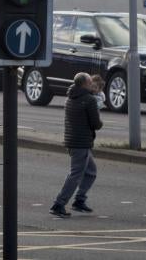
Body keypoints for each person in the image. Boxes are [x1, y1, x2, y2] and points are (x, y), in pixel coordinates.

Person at [50, 72, 103, 218]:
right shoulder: (89, 99)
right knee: (75, 175)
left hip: (72, 140)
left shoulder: (70, 97)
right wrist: (98, 112)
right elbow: (96, 124)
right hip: (82, 142)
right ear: (85, 84)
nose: (92, 84)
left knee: (91, 172)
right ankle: (58, 204)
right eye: (90, 82)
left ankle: (79, 200)